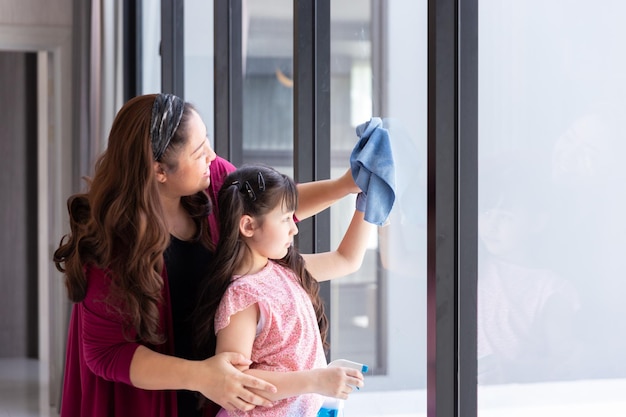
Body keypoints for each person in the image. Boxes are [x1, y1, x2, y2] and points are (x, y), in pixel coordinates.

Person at [53, 93, 361, 417]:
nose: (212, 156)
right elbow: (106, 354)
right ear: (160, 170)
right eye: (199, 151)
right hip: (155, 391)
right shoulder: (111, 247)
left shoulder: (211, 178)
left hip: (215, 379)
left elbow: (267, 209)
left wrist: (345, 185)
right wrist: (201, 376)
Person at [193, 164, 375, 416]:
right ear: (248, 226)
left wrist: (368, 204)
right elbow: (234, 381)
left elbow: (346, 260)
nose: (295, 228)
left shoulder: (286, 270)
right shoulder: (241, 298)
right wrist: (316, 380)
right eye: (285, 218)